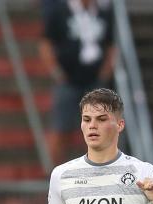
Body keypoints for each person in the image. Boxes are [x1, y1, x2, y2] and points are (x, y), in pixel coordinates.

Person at [40, 0, 117, 166]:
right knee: (61, 128)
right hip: (68, 81)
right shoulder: (59, 10)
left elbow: (111, 45)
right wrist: (57, 73)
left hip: (95, 82)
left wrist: (105, 72)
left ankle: (95, 170)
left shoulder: (103, 12)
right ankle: (51, 174)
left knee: (98, 129)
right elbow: (46, 43)